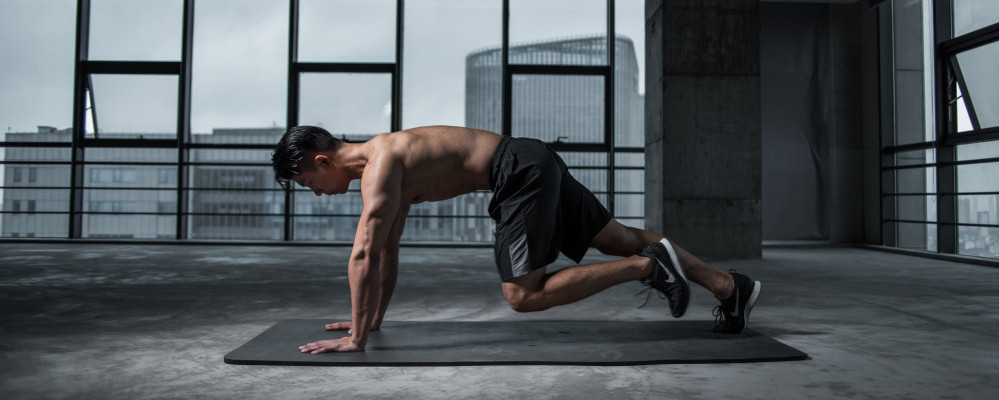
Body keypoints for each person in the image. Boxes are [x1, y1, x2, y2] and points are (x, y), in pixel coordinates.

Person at [271, 125, 762, 354]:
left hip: (517, 171)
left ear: (322, 161)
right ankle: (728, 286)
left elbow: (362, 253)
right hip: (530, 158)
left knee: (523, 295)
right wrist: (371, 321)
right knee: (619, 236)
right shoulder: (385, 163)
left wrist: (356, 340)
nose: (316, 194)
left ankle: (648, 268)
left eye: (308, 185)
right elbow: (386, 249)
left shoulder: (380, 167)